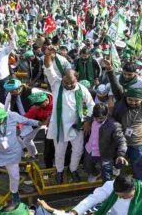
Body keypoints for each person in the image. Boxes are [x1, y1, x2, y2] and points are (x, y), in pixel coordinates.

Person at [44, 45, 95, 184]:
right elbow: (48, 68)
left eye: (71, 83)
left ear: (76, 79)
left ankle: (73, 169)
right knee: (59, 152)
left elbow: (91, 105)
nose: (69, 86)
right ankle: (59, 171)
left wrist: (87, 121)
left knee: (78, 150)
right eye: (66, 83)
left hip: (76, 126)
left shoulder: (82, 89)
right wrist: (48, 55)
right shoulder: (56, 84)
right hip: (59, 126)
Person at [104, 59, 142, 164]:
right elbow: (115, 86)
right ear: (125, 97)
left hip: (138, 144)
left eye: (136, 101)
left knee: (138, 163)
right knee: (119, 163)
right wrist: (109, 70)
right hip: (121, 142)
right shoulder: (121, 104)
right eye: (130, 100)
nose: (133, 103)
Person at [70, 175, 142, 215]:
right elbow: (92, 199)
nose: (121, 198)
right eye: (118, 196)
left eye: (125, 196)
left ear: (134, 189)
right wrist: (74, 212)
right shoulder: (110, 186)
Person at [84, 103, 128, 183]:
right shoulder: (92, 119)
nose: (98, 120)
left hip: (105, 153)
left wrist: (121, 154)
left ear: (106, 114)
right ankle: (95, 173)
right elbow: (88, 119)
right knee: (88, 166)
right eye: (96, 118)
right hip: (90, 149)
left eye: (101, 118)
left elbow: (122, 141)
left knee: (107, 177)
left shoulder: (114, 125)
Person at [23, 92, 53, 160]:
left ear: (46, 100)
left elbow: (48, 121)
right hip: (39, 122)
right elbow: (26, 118)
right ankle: (34, 155)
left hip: (54, 125)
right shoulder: (36, 107)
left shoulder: (55, 104)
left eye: (39, 104)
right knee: (26, 140)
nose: (37, 106)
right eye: (35, 104)